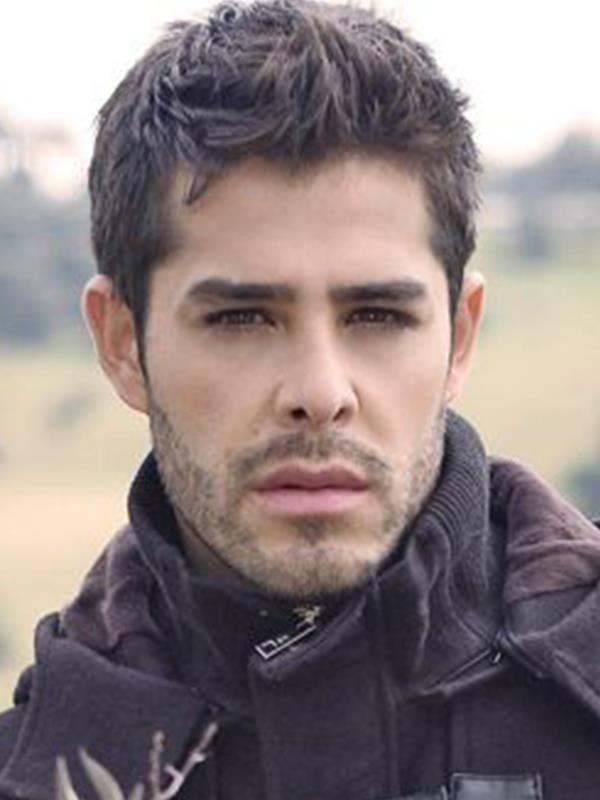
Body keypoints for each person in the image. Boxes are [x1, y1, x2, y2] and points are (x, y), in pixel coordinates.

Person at [1, 1, 600, 798]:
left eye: (378, 316)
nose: (320, 394)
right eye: (240, 318)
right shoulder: (35, 774)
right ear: (121, 343)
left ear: (459, 338)